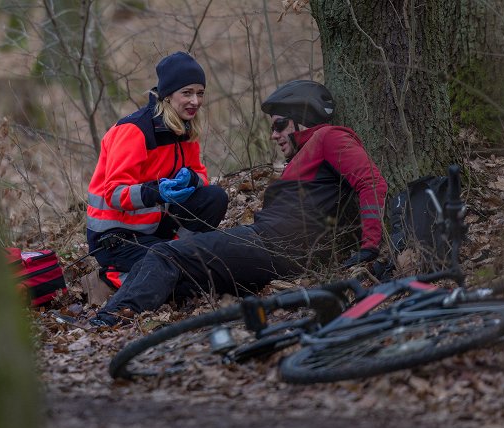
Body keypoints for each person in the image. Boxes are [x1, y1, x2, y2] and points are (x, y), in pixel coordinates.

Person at [90, 80, 388, 327]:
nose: (274, 135)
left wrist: (369, 247)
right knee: (182, 278)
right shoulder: (306, 155)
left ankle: (108, 318)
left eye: (280, 125)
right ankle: (121, 292)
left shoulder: (329, 137)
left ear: (304, 118)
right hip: (277, 250)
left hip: (272, 243)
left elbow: (372, 182)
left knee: (164, 254)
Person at [86, 52, 228, 290]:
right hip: (115, 237)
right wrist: (158, 192)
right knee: (182, 280)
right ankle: (115, 277)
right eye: (187, 93)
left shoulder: (185, 128)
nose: (195, 101)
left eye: (200, 93)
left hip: (155, 228)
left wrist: (192, 178)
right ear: (168, 95)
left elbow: (202, 175)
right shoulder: (134, 130)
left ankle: (178, 255)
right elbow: (114, 194)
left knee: (215, 198)